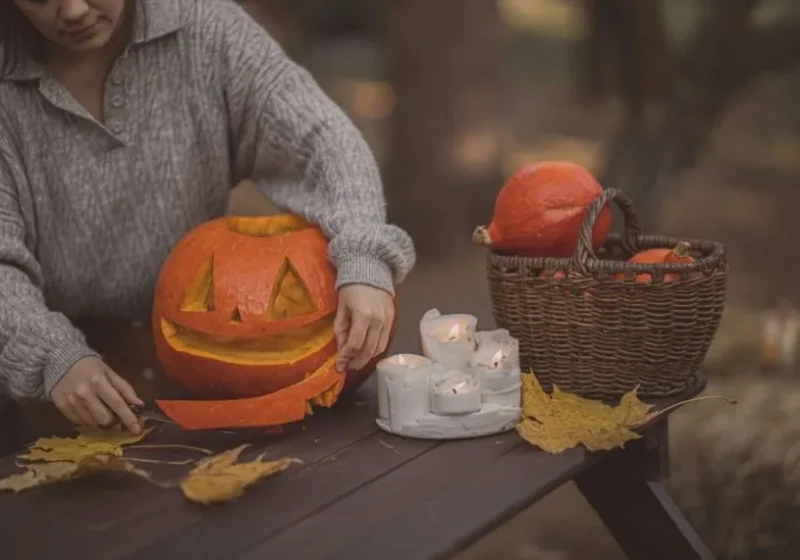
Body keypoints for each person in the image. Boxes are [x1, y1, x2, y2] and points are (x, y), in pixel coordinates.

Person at [0, 0, 415, 435]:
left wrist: (365, 252)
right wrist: (52, 356)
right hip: (51, 404)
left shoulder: (205, 29)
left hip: (204, 382)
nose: (74, 11)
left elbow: (322, 138)